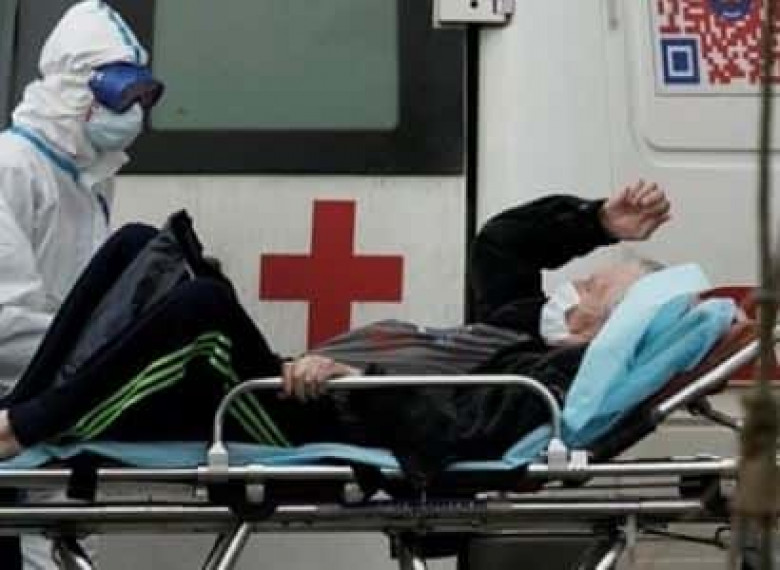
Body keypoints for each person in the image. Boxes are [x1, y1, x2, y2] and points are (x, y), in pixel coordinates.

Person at [0, 181, 670, 482]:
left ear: (598, 333)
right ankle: (16, 415)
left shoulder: (538, 379)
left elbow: (457, 432)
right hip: (299, 384)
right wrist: (596, 222)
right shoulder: (516, 329)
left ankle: (24, 429)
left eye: (591, 288)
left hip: (312, 417)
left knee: (201, 308)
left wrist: (359, 378)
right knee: (140, 245)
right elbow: (502, 243)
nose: (574, 286)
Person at [0, 1, 163, 567]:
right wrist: (107, 361)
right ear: (72, 90)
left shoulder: (86, 185)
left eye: (141, 98)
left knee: (61, 541)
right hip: (19, 410)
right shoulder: (12, 170)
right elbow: (6, 324)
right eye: (120, 95)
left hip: (56, 410)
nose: (131, 114)